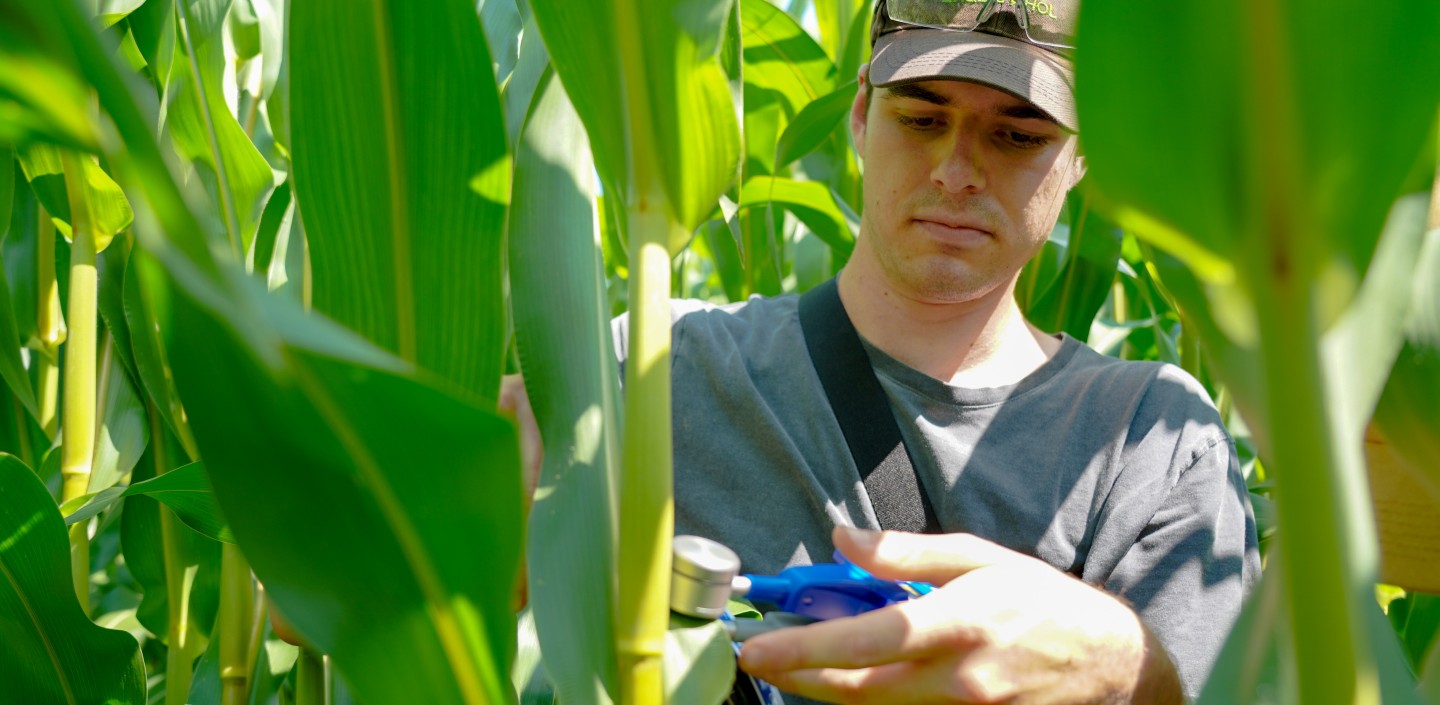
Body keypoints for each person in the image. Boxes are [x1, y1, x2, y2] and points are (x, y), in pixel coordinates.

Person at [506, 0, 1259, 702]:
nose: (955, 170)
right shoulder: (651, 368)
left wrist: (1128, 667)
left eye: (1018, 134)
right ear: (863, 113)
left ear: (1082, 156)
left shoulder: (1153, 443)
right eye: (923, 118)